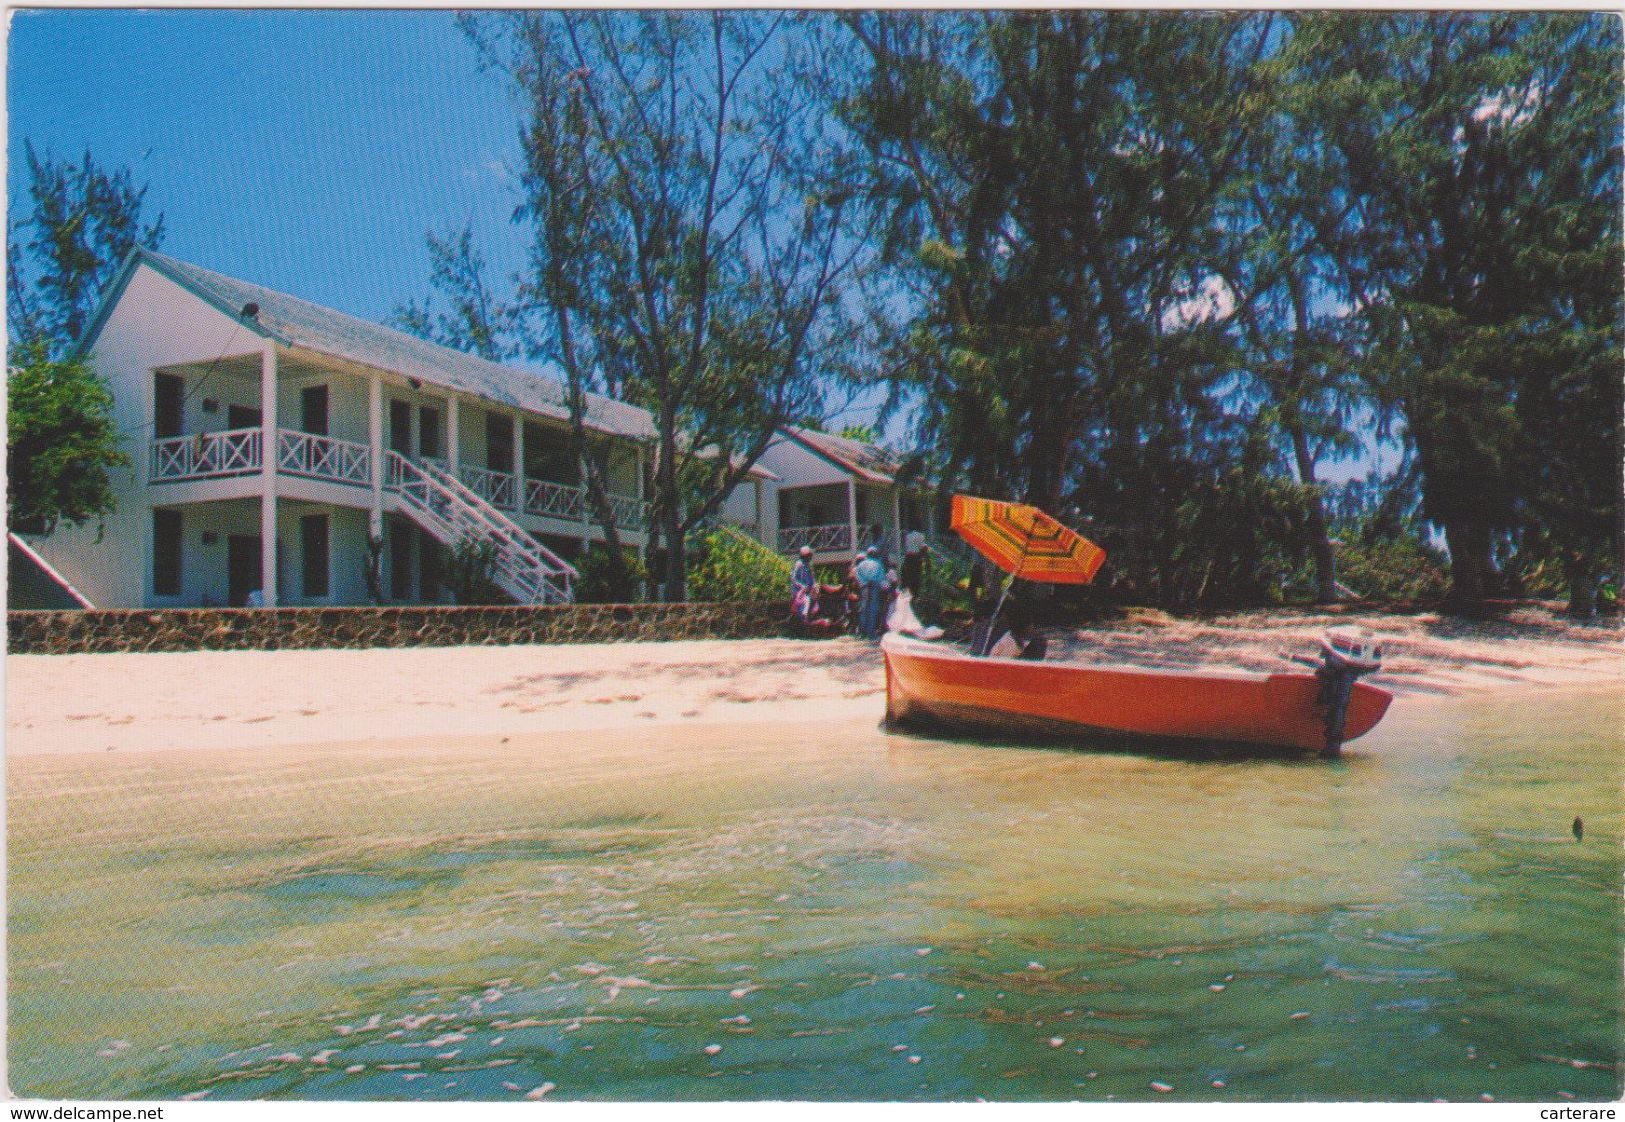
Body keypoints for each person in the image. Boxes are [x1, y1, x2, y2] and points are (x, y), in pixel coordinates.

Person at [854, 546, 887, 639]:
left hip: (864, 588)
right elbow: (881, 578)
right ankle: (871, 633)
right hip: (874, 587)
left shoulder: (861, 564)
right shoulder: (878, 564)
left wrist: (864, 583)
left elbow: (858, 576)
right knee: (873, 609)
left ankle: (862, 633)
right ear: (875, 554)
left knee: (863, 609)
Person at [790, 545, 817, 622]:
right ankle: (804, 616)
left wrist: (814, 585)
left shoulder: (808, 565)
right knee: (807, 600)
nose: (811, 556)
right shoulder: (799, 564)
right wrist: (801, 586)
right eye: (809, 555)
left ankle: (814, 617)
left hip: (808, 591)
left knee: (815, 598)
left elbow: (812, 579)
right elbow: (793, 578)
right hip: (799, 591)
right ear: (806, 556)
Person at [900, 531, 928, 596]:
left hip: (909, 559)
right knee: (915, 582)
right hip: (915, 561)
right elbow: (923, 548)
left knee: (908, 581)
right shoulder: (920, 535)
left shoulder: (908, 536)